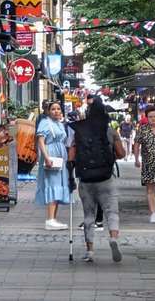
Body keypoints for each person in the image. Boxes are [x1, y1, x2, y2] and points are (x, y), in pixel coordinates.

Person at [69, 98, 126, 262]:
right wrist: (109, 157)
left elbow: (71, 156)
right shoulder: (110, 131)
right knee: (112, 212)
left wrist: (71, 174)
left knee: (88, 215)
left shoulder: (80, 131)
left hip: (86, 179)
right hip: (106, 178)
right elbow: (121, 153)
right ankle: (113, 238)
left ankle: (90, 251)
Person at [35, 101, 71, 230]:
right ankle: (50, 219)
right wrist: (46, 157)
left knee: (59, 185)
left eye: (58, 109)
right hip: (51, 155)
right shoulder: (45, 123)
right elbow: (41, 141)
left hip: (60, 157)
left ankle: (53, 218)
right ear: (48, 111)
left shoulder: (60, 124)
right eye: (53, 109)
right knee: (53, 185)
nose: (56, 111)